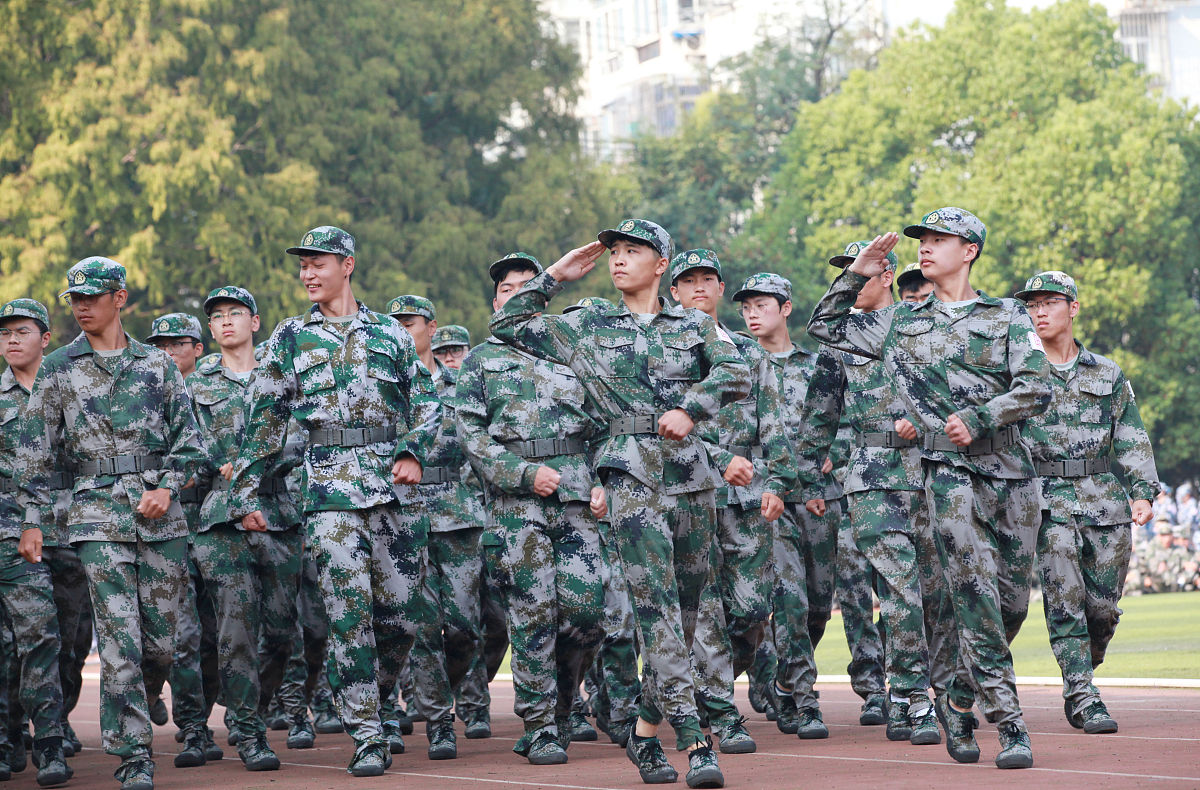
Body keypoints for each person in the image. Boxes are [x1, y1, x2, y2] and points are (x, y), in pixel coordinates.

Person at [490, 219, 750, 789]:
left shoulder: (694, 324)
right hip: (629, 477)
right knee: (655, 610)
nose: (619, 260)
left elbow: (738, 373)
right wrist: (554, 276)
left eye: (634, 252)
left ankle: (643, 730)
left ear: (662, 266)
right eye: (615, 252)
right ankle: (695, 741)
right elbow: (507, 323)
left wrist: (694, 408)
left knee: (683, 617)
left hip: (691, 478)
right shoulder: (586, 324)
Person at [808, 208, 1052, 770]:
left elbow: (1038, 387)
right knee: (973, 591)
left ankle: (960, 697)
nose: (925, 248)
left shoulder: (1007, 316)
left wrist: (984, 415)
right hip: (946, 477)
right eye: (921, 240)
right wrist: (857, 273)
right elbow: (826, 326)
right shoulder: (902, 323)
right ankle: (1010, 722)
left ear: (969, 250)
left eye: (939, 240)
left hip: (1010, 474)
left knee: (1012, 602)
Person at [227, 227, 441, 778]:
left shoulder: (390, 335)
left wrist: (413, 449)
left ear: (347, 265)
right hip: (328, 493)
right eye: (302, 266)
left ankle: (381, 701)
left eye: (317, 263)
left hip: (392, 488)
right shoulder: (291, 336)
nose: (307, 274)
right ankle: (366, 732)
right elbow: (265, 418)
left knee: (401, 616)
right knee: (350, 614)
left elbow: (428, 402)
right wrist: (244, 490)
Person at [18, 257, 208, 790]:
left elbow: (193, 446)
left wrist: (168, 487)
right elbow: (32, 453)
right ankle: (133, 757)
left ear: (119, 298)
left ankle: (149, 691)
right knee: (120, 641)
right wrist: (31, 521)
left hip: (161, 520)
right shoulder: (58, 368)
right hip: (95, 517)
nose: (82, 307)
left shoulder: (158, 366)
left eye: (93, 297)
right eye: (74, 299)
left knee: (160, 646)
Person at [797, 243, 953, 746]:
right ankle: (910, 697)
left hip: (933, 470)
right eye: (846, 273)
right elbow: (819, 415)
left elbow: (967, 388)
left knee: (937, 590)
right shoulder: (840, 339)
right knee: (900, 588)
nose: (853, 279)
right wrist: (812, 479)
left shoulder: (925, 324)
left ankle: (949, 687)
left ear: (886, 275)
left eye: (862, 273)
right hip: (870, 473)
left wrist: (928, 419)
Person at [456, 252, 606, 764]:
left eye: (529, 284)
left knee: (586, 614)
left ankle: (564, 708)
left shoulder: (570, 351)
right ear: (497, 301)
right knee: (534, 611)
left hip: (576, 494)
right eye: (508, 287)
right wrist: (522, 473)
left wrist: (604, 476)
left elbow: (607, 419)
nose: (518, 293)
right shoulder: (480, 360)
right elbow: (470, 435)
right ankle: (540, 723)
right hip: (517, 502)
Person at [1013, 270, 1158, 733]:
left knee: (1103, 609)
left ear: (1073, 308)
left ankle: (1086, 665)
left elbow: (1130, 434)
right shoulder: (1018, 373)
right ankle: (1082, 693)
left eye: (1050, 302)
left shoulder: (1107, 372)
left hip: (1104, 500)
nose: (1040, 312)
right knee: (1065, 600)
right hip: (1046, 500)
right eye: (1032, 305)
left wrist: (1142, 490)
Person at [667, 249, 795, 755]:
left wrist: (779, 482)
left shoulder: (747, 351)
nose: (699, 288)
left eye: (708, 279)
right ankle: (720, 709)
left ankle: (701, 690)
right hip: (686, 491)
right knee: (700, 609)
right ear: (672, 291)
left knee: (750, 611)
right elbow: (661, 422)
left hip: (745, 500)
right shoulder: (662, 350)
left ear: (721, 288)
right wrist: (718, 457)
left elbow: (774, 423)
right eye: (688, 281)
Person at [189, 286, 313, 769]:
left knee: (282, 632)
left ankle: (254, 709)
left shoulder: (284, 376)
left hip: (280, 515)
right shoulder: (195, 385)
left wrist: (253, 468)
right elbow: (190, 446)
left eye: (234, 314)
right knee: (235, 631)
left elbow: (302, 435)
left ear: (255, 322)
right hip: (221, 522)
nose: (224, 322)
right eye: (216, 316)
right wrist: (231, 475)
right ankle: (247, 726)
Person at [733, 272, 838, 740]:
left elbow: (848, 422)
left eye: (762, 305)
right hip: (764, 498)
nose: (752, 314)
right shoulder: (736, 363)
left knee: (818, 606)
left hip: (814, 498)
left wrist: (836, 457)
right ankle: (803, 701)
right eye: (746, 307)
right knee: (789, 600)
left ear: (786, 307)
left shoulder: (816, 366)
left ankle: (777, 673)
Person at [388, 293, 489, 759]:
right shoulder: (385, 388)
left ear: (432, 327)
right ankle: (437, 721)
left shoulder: (460, 384)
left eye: (411, 324)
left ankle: (443, 694)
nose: (403, 332)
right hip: (405, 511)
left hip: (458, 511)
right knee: (423, 627)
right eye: (396, 325)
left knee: (466, 625)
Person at [143, 312, 223, 766]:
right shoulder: (144, 397)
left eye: (179, 344)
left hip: (214, 526)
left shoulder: (214, 395)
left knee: (213, 638)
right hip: (165, 527)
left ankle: (198, 712)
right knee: (181, 637)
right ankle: (193, 729)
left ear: (198, 348)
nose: (170, 352)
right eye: (162, 345)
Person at [0, 299, 73, 787]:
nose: (10, 340)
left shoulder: (68, 390)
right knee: (27, 640)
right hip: (9, 534)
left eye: (21, 331)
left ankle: (53, 733)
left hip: (70, 530)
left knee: (63, 640)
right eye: (4, 333)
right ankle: (30, 744)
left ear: (44, 337)